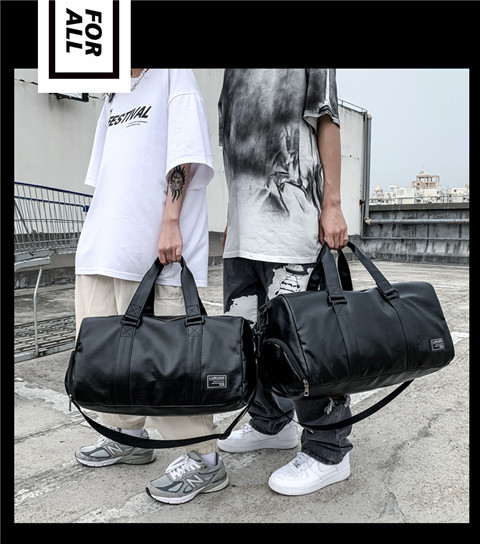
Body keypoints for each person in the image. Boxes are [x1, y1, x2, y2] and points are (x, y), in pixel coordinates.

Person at [73, 68, 229, 504]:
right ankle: (127, 436)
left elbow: (185, 155)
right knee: (107, 359)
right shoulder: (113, 92)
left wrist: (171, 222)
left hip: (156, 253)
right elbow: (107, 174)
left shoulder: (173, 76)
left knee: (168, 363)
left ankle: (204, 459)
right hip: (104, 247)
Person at [217, 68, 353, 496]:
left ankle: (329, 450)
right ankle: (271, 424)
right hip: (242, 232)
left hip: (292, 225)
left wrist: (333, 203)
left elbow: (327, 118)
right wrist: (231, 221)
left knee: (305, 345)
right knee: (248, 339)